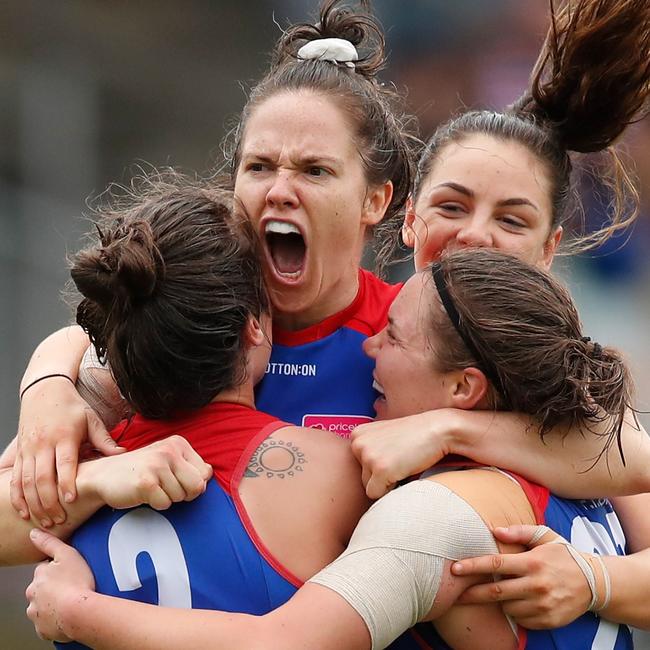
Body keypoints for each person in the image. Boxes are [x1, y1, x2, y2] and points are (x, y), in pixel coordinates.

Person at [10, 0, 650, 635]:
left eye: (315, 170)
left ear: (378, 201)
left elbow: (624, 454)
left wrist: (450, 432)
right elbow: (16, 521)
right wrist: (51, 388)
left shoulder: (427, 346)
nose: (281, 188)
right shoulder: (184, 329)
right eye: (259, 166)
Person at [25, 247, 636, 649]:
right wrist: (48, 378)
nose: (369, 348)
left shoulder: (436, 514)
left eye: (392, 336)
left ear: (462, 387)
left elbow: (288, 645)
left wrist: (76, 610)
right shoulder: (595, 465)